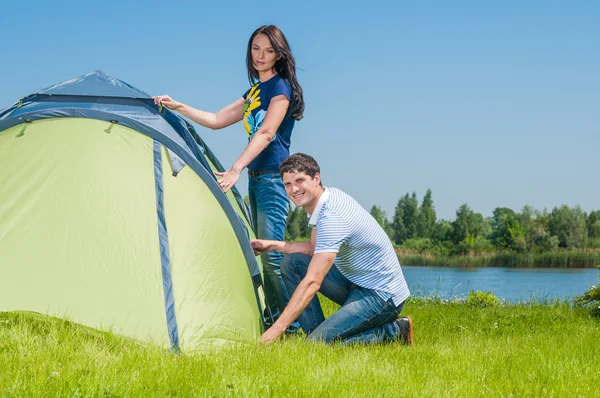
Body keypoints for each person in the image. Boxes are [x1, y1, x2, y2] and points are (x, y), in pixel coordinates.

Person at [153, 25, 304, 330]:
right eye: (255, 49)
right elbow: (217, 119)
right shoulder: (254, 92)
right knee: (262, 253)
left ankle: (290, 328)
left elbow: (266, 133)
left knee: (272, 257)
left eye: (269, 51)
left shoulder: (280, 89)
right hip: (257, 178)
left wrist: (236, 168)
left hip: (275, 180)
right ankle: (277, 321)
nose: (260, 56)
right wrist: (177, 105)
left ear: (279, 54)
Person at [251, 153, 414, 345]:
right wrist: (272, 245)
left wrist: (275, 330)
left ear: (316, 178)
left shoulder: (332, 216)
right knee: (293, 263)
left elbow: (313, 282)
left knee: (316, 346)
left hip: (382, 296)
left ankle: (395, 330)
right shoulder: (323, 200)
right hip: (356, 282)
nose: (293, 189)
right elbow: (313, 248)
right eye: (287, 184)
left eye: (300, 180)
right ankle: (318, 334)